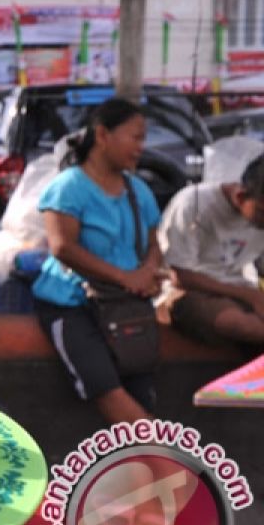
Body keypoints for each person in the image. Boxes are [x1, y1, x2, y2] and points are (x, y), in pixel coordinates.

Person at [32, 98, 164, 424]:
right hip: (72, 303)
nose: (140, 147)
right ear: (103, 135)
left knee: (141, 390)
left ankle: (153, 463)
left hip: (126, 305)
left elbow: (154, 243)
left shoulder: (138, 189)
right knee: (108, 390)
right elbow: (63, 247)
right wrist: (125, 277)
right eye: (135, 137)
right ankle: (164, 460)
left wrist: (147, 271)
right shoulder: (68, 188)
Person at [158, 153, 264, 348]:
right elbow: (180, 276)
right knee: (238, 323)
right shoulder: (194, 204)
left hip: (240, 288)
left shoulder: (258, 220)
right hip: (187, 290)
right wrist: (249, 295)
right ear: (241, 197)